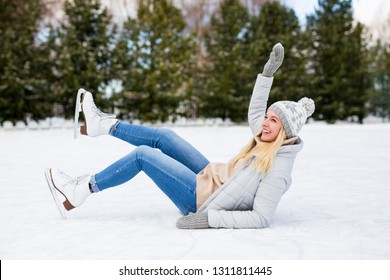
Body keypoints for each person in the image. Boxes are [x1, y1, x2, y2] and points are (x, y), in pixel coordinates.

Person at [45, 43, 315, 229]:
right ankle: (102, 125)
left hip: (201, 199)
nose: (264, 123)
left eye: (273, 120)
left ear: (286, 133)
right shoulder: (268, 137)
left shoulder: (278, 169)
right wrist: (267, 75)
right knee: (166, 137)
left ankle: (81, 190)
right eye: (267, 116)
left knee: (144, 156)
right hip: (212, 177)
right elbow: (256, 111)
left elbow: (260, 218)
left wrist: (207, 219)